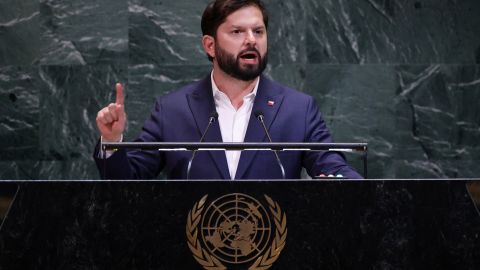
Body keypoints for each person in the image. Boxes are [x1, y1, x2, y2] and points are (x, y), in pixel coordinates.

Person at [93, 0, 362, 180]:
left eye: (258, 31)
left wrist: (341, 182)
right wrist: (113, 142)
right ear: (210, 46)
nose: (251, 40)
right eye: (237, 32)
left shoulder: (298, 109)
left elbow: (333, 166)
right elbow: (127, 182)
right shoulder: (172, 110)